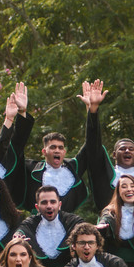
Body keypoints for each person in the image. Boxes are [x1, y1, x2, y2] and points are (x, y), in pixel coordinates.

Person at [21, 80, 102, 214]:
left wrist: (91, 109)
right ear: (44, 151)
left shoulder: (73, 167)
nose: (57, 150)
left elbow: (92, 143)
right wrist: (21, 113)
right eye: (53, 147)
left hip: (68, 222)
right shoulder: (31, 168)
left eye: (60, 148)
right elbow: (14, 153)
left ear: (64, 152)